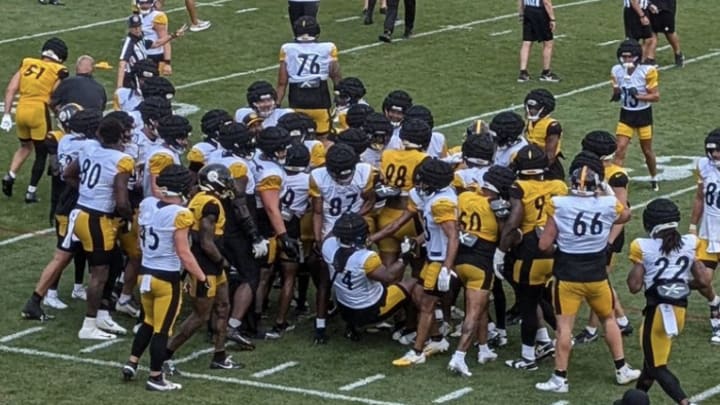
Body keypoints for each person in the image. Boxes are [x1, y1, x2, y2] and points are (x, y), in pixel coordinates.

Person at [535, 153, 640, 393]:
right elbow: (625, 214)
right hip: (596, 274)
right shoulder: (606, 204)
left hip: (568, 275)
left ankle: (560, 378)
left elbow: (543, 245)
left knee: (564, 328)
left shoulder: (559, 203)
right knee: (609, 319)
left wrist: (560, 243)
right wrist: (606, 191)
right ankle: (622, 368)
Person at [121, 164, 207, 391]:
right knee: (162, 329)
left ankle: (132, 362)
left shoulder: (148, 204)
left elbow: (141, 240)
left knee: (148, 322)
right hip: (166, 278)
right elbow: (184, 252)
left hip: (145, 274)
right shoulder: (181, 214)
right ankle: (156, 377)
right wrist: (201, 276)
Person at [369, 159, 457, 366]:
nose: (419, 184)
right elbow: (400, 222)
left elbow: (453, 237)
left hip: (441, 259)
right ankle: (437, 339)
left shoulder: (442, 202)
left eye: (423, 181)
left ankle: (417, 351)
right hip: (432, 255)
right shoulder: (426, 196)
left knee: (426, 304)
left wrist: (447, 267)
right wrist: (373, 238)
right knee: (418, 294)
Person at [628, 199, 709, 405]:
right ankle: (636, 399)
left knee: (657, 366)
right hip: (679, 311)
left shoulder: (642, 246)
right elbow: (704, 280)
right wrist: (680, 284)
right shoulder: (691, 243)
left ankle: (684, 402)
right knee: (651, 362)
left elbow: (634, 286)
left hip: (657, 312)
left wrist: (642, 266)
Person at [164, 164, 242, 373]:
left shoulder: (198, 197)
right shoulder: (211, 204)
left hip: (211, 264)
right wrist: (223, 262)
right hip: (206, 265)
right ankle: (164, 354)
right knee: (200, 316)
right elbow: (207, 242)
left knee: (223, 307)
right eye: (224, 179)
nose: (228, 183)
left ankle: (219, 355)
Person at [64, 116, 134, 340]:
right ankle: (89, 324)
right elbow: (122, 200)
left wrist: (87, 191)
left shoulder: (88, 147)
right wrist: (129, 217)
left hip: (81, 212)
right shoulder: (122, 159)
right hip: (98, 219)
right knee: (99, 274)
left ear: (99, 134)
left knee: (114, 262)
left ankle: (103, 313)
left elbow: (68, 174)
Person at [500, 145, 566, 372]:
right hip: (556, 250)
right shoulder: (559, 185)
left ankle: (528, 358)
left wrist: (501, 250)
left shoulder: (519, 187)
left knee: (528, 305)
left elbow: (514, 220)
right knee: (544, 299)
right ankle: (555, 340)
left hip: (531, 251)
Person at [447, 166, 516, 377]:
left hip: (460, 259)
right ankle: (459, 356)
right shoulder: (497, 206)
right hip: (481, 262)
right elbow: (506, 235)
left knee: (482, 306)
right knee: (474, 312)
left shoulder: (465, 195)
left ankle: (484, 348)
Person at [575, 131, 633, 344]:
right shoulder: (587, 170)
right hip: (591, 229)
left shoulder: (616, 175)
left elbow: (621, 211)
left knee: (596, 281)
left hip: (608, 232)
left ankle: (592, 328)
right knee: (599, 279)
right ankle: (623, 320)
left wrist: (608, 243)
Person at [323, 212, 419, 341]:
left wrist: (344, 224)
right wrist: (404, 258)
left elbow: (331, 235)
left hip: (344, 308)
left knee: (355, 287)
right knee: (414, 282)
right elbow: (389, 276)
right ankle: (409, 328)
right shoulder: (366, 258)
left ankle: (351, 328)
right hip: (369, 310)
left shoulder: (327, 246)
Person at [2, 37, 69, 203]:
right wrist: (59, 113)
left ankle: (10, 175)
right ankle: (30, 192)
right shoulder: (59, 69)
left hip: (21, 110)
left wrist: (7, 114)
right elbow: (54, 96)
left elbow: (11, 88)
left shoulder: (27, 62)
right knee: (42, 153)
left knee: (25, 145)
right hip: (39, 111)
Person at [277, 16, 341, 136]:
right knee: (323, 137)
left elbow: (282, 82)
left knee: (299, 136)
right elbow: (335, 75)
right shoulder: (328, 47)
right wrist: (339, 95)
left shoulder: (287, 49)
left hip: (297, 98)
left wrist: (277, 104)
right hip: (320, 98)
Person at [610, 39, 660, 191]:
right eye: (624, 57)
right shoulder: (616, 71)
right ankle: (615, 181)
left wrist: (638, 96)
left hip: (643, 115)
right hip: (626, 114)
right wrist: (616, 94)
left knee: (647, 151)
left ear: (637, 56)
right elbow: (617, 90)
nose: (626, 60)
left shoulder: (648, 71)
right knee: (620, 149)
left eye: (629, 57)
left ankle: (653, 177)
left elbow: (656, 96)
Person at [689, 129, 720, 344]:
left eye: (718, 151)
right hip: (709, 233)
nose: (715, 155)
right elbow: (700, 197)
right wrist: (692, 224)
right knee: (702, 280)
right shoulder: (703, 166)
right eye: (712, 151)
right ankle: (715, 302)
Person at [117, 14, 183, 89]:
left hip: (140, 76)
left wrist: (173, 35)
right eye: (134, 27)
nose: (137, 29)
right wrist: (119, 87)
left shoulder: (140, 38)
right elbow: (122, 64)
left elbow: (155, 44)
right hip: (131, 78)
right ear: (130, 28)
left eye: (139, 26)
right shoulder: (130, 43)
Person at [524, 89, 564, 179]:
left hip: (548, 168)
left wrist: (538, 171)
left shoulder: (552, 126)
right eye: (529, 107)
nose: (530, 110)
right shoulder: (529, 122)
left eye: (534, 108)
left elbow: (550, 156)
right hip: (531, 162)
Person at [517, 0, 559, 82]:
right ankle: (546, 73)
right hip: (540, 13)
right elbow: (546, 2)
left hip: (528, 11)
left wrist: (521, 12)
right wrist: (552, 19)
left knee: (527, 42)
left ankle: (523, 73)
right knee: (548, 42)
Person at [648, 0, 683, 67]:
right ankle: (651, 58)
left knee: (669, 32)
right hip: (652, 4)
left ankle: (678, 54)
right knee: (652, 31)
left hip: (666, 6)